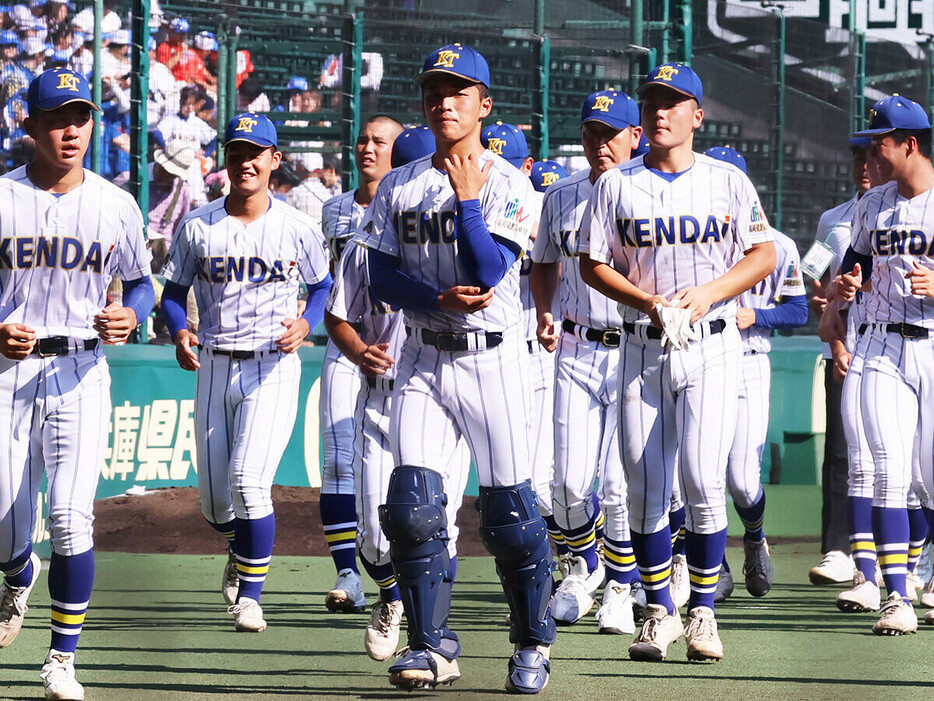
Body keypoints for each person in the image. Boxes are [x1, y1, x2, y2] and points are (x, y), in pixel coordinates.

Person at [358, 43, 555, 694]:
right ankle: (430, 644)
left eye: (461, 90)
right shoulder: (401, 182)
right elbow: (379, 271)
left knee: (511, 517)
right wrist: (429, 298)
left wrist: (468, 200)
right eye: (437, 90)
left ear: (484, 105)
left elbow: (488, 270)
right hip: (421, 349)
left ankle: (531, 641)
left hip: (491, 356)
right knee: (412, 506)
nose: (446, 100)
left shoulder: (509, 183)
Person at [578, 62, 775, 662]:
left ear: (697, 114)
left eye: (673, 101)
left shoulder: (726, 180)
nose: (660, 111)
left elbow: (763, 253)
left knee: (701, 477)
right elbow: (592, 262)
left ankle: (705, 615)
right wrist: (645, 300)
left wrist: (710, 293)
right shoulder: (616, 184)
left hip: (711, 341)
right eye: (652, 101)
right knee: (643, 486)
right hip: (641, 339)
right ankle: (660, 611)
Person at [0, 67, 154, 700]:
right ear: (29, 125)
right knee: (6, 531)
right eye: (57, 117)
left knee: (70, 516)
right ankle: (16, 573)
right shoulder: (2, 197)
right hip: (8, 372)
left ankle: (62, 658)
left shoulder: (116, 204)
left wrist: (132, 312)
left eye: (81, 116)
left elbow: (143, 283)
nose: (71, 130)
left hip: (81, 369)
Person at [160, 113, 332, 633]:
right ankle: (237, 547)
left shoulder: (299, 226)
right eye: (237, 152)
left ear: (274, 160)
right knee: (215, 506)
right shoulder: (197, 225)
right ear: (226, 161)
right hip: (213, 363)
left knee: (247, 482)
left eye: (256, 152)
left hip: (273, 366)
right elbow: (172, 293)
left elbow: (323, 288)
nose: (246, 162)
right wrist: (178, 331)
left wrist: (306, 321)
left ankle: (252, 597)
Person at [325, 121, 472, 663]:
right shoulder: (366, 251)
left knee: (439, 522)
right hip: (381, 395)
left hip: (439, 395)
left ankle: (432, 636)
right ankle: (390, 596)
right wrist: (358, 350)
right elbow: (337, 315)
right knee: (373, 537)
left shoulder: (460, 250)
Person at [530, 90, 643, 635]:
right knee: (568, 487)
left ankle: (621, 589)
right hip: (575, 348)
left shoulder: (649, 195)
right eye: (592, 132)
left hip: (635, 348)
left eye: (611, 133)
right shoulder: (561, 196)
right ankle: (586, 563)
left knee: (620, 487)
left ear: (634, 137)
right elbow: (543, 263)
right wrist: (544, 312)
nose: (600, 143)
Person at [832, 94, 934, 635]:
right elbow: (856, 264)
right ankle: (898, 595)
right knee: (890, 469)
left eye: (881, 143)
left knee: (931, 477)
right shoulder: (872, 205)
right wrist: (851, 281)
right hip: (883, 348)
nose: (871, 152)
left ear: (910, 144)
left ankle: (925, 575)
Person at [703, 146, 808, 602]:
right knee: (697, 475)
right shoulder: (693, 240)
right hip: (702, 358)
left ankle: (754, 537)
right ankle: (713, 565)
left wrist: (759, 317)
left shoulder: (779, 246)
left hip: (748, 361)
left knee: (742, 478)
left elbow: (798, 310)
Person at [318, 115, 403, 615]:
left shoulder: (411, 206)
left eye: (380, 141)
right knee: (336, 456)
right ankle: (348, 573)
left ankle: (398, 568)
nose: (368, 148)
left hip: (397, 344)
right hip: (346, 342)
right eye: (364, 140)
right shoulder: (333, 209)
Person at [806, 139, 873, 586]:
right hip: (844, 347)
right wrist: (835, 342)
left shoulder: (920, 212)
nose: (864, 165)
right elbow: (814, 275)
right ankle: (836, 549)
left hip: (901, 344)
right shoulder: (834, 220)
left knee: (907, 456)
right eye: (857, 157)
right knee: (840, 452)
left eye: (872, 155)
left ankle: (908, 556)